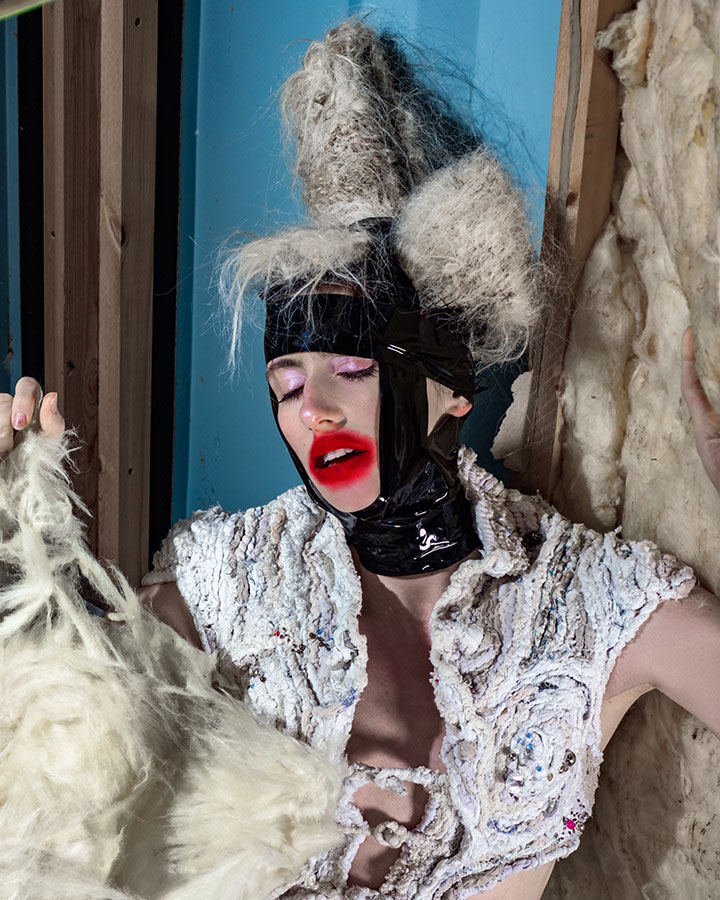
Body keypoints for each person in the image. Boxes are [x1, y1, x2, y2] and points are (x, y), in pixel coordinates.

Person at [4, 19, 719, 900]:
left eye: (350, 370)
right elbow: (54, 719)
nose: (314, 409)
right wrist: (18, 534)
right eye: (286, 383)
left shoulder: (588, 600)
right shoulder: (239, 574)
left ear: (451, 389)